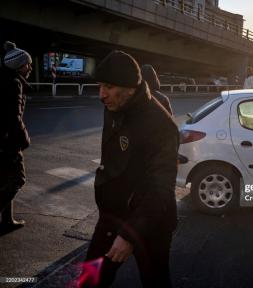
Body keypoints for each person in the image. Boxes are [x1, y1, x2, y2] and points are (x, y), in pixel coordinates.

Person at [81, 50, 179, 288]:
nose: (101, 95)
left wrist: (129, 235)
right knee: (90, 280)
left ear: (129, 87)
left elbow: (161, 189)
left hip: (150, 223)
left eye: (108, 86)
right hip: (112, 216)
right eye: (100, 86)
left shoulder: (161, 124)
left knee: (155, 281)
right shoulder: (113, 107)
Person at [0, 41, 32, 234]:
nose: (30, 68)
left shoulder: (4, 79)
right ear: (18, 66)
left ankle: (6, 220)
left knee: (3, 180)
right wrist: (24, 140)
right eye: (27, 64)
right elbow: (14, 118)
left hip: (2, 141)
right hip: (6, 142)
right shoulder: (14, 84)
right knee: (17, 180)